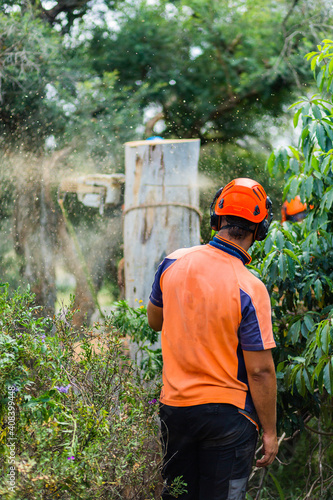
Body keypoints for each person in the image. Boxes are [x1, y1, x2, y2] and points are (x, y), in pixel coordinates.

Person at [147, 178, 279, 500]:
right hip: (228, 420)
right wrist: (271, 432)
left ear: (216, 218)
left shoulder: (173, 262)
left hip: (175, 412)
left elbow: (154, 321)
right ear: (258, 230)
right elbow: (260, 371)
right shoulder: (250, 288)